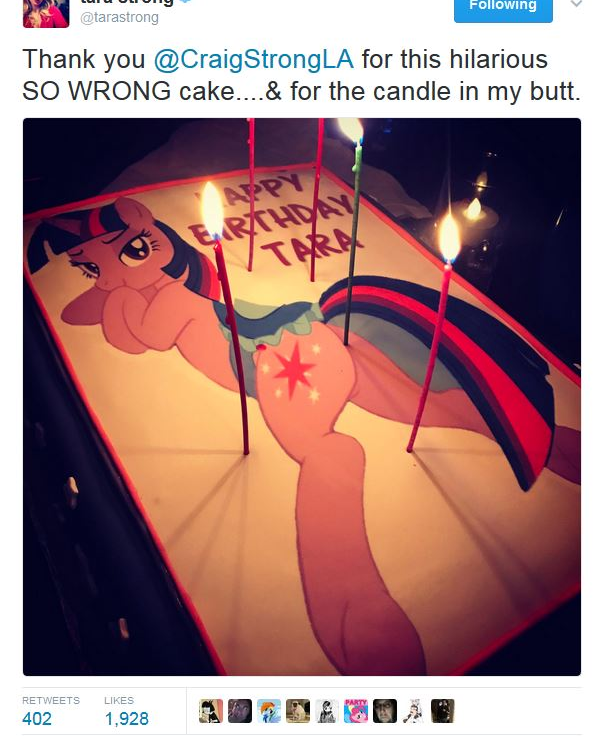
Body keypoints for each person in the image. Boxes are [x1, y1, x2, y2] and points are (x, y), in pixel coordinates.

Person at [27, 197, 580, 675]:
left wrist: (114, 293)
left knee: (328, 451)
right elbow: (81, 313)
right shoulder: (173, 293)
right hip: (302, 337)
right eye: (96, 266)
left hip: (278, 358)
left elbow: (126, 330)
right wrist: (108, 281)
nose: (114, 274)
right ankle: (557, 444)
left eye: (133, 250)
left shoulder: (169, 301)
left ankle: (353, 606)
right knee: (425, 404)